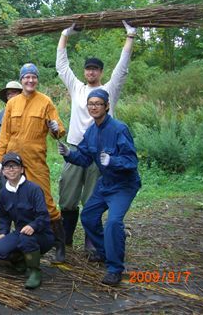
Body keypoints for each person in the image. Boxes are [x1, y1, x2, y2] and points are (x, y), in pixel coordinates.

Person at [56, 21, 136, 251]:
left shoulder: (109, 91)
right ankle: (66, 239)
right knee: (68, 196)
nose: (91, 72)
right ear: (84, 71)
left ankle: (91, 240)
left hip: (100, 152)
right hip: (75, 148)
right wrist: (65, 34)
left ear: (101, 72)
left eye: (95, 69)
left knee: (92, 197)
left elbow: (122, 69)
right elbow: (62, 66)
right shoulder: (77, 88)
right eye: (88, 68)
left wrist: (130, 36)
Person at [58, 89, 141, 286]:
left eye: (98, 103)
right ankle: (104, 252)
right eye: (91, 104)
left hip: (123, 185)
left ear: (106, 106)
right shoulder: (91, 132)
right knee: (88, 216)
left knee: (113, 223)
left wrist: (112, 160)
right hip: (105, 184)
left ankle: (114, 268)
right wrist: (69, 153)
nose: (94, 107)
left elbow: (131, 161)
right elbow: (85, 158)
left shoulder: (119, 129)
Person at [0, 63, 67, 262]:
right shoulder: (12, 103)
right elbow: (4, 134)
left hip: (35, 160)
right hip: (13, 160)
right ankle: (8, 234)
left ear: (37, 79)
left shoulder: (45, 102)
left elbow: (58, 130)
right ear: (21, 80)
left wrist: (56, 128)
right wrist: (0, 159)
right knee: (10, 196)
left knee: (46, 200)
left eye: (33, 77)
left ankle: (59, 243)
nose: (30, 80)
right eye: (26, 77)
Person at [0, 152, 55, 290]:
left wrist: (33, 225)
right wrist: (3, 231)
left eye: (14, 166)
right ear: (3, 172)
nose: (11, 169)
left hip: (42, 234)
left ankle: (34, 271)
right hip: (20, 232)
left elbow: (43, 215)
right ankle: (23, 260)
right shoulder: (3, 193)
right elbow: (3, 216)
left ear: (22, 169)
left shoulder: (34, 189)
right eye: (7, 167)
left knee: (26, 238)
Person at [0, 80, 23, 241]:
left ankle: (21, 231)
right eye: (8, 94)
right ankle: (3, 230)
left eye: (15, 93)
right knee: (0, 197)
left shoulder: (26, 114)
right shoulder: (0, 115)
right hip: (1, 164)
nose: (11, 96)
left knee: (21, 199)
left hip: (21, 165)